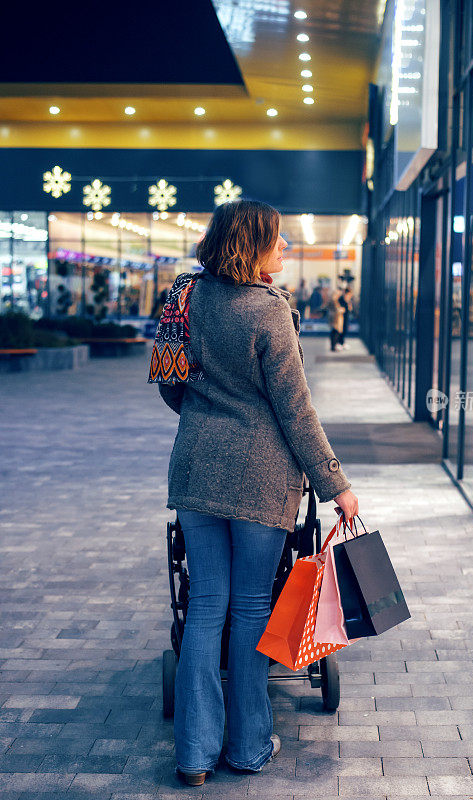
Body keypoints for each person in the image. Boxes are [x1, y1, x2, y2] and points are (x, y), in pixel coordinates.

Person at [154, 200, 358, 787]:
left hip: (195, 471)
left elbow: (170, 384)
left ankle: (193, 756)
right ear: (253, 244)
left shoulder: (183, 299)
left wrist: (203, 417)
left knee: (204, 612)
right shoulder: (270, 312)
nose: (286, 249)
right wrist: (335, 484)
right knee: (249, 610)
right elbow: (296, 411)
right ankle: (246, 746)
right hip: (261, 479)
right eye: (278, 240)